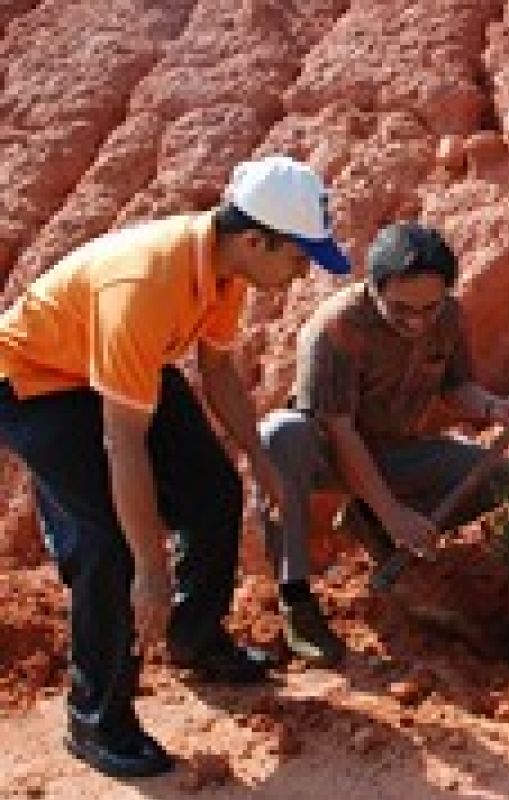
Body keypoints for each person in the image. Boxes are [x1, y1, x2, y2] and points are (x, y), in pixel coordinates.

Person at [0, 156, 351, 777]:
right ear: (253, 239)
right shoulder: (144, 286)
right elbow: (122, 443)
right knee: (109, 544)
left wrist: (264, 465)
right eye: (297, 259)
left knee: (215, 491)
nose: (299, 275)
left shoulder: (226, 271)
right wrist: (151, 568)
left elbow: (217, 373)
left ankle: (195, 641)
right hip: (37, 381)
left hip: (110, 368)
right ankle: (96, 718)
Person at [257, 221, 509, 666]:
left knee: (497, 475)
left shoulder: (449, 318)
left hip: (393, 451)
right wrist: (393, 511)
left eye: (429, 309)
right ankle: (296, 598)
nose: (417, 322)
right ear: (373, 287)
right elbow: (340, 431)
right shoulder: (334, 329)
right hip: (325, 455)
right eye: (402, 310)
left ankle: (368, 522)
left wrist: (493, 408)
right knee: (281, 435)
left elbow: (457, 385)